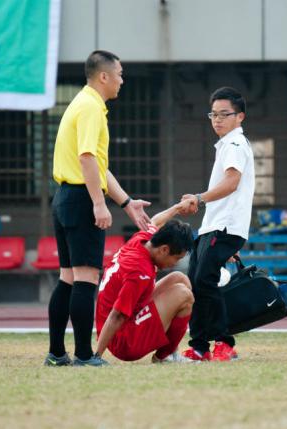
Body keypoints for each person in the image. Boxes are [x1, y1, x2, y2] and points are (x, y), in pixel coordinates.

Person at [45, 50, 151, 367]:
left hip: (64, 198)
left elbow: (99, 167)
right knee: (86, 279)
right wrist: (98, 203)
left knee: (67, 278)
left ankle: (56, 354)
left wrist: (127, 202)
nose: (122, 80)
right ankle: (82, 355)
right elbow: (87, 159)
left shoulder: (80, 103)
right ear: (103, 76)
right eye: (119, 74)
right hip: (80, 200)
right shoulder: (92, 108)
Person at [181, 87, 255, 362]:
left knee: (203, 281)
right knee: (196, 283)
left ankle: (224, 343)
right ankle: (199, 346)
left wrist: (199, 198)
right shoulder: (226, 144)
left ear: (240, 117)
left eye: (225, 114)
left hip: (225, 227)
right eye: (214, 114)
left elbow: (231, 183)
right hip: (214, 226)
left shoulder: (235, 144)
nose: (218, 119)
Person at [95, 200, 195, 364]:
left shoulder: (143, 239)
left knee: (180, 279)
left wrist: (177, 207)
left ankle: (170, 352)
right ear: (164, 250)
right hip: (124, 340)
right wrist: (96, 357)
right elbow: (117, 316)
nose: (175, 263)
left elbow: (155, 221)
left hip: (121, 322)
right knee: (184, 295)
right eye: (176, 258)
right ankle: (164, 356)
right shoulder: (140, 272)